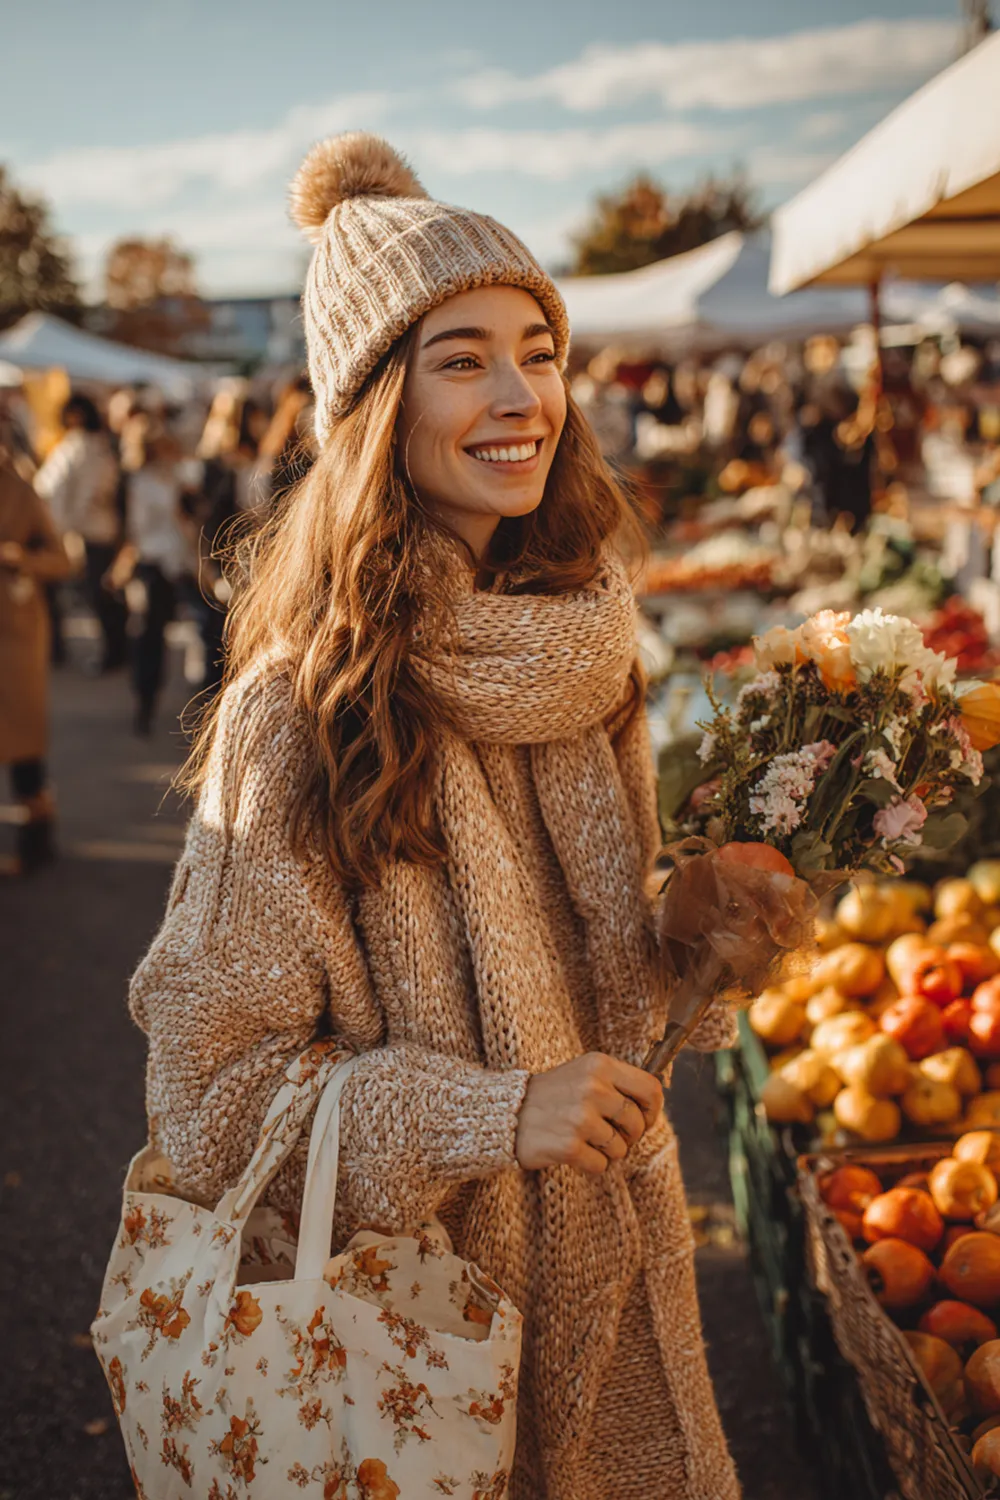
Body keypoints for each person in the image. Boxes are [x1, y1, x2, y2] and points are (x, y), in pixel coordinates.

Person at [127, 132, 743, 1499]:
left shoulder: (583, 663)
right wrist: (489, 1115)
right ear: (376, 409)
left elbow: (608, 1026)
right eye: (461, 358)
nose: (524, 394)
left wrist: (691, 932)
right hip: (404, 1359)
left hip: (617, 1309)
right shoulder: (297, 716)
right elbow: (207, 1102)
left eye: (541, 348)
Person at [0, 449, 71, 872]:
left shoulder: (18, 489)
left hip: (14, 633)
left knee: (22, 739)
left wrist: (18, 557)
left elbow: (61, 560)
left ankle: (37, 837)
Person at [114, 421, 196, 735]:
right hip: (153, 564)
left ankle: (153, 693)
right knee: (148, 635)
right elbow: (139, 530)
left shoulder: (177, 479)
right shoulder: (141, 483)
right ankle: (144, 700)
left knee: (161, 636)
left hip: (178, 564)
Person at [34, 394, 127, 672]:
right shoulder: (85, 446)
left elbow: (80, 495)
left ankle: (113, 653)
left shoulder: (86, 448)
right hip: (83, 531)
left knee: (99, 596)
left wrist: (65, 532)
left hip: (86, 533)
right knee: (96, 596)